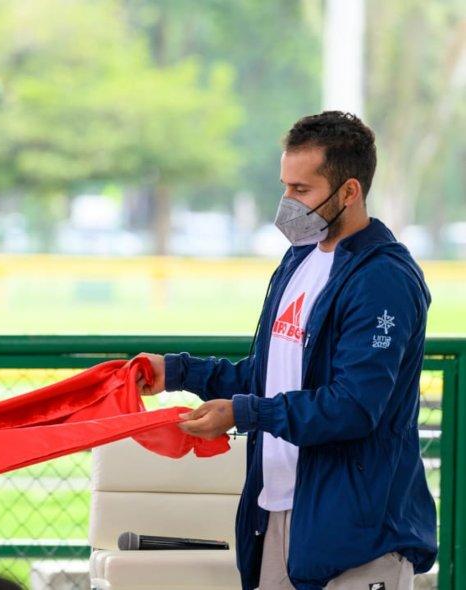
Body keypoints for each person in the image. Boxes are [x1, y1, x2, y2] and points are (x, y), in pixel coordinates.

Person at [136, 111, 436, 590]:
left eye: (302, 190)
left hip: (356, 532)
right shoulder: (299, 260)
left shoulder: (383, 281)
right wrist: (175, 372)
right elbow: (271, 378)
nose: (286, 203)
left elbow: (355, 407)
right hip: (275, 512)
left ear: (349, 191)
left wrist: (245, 414)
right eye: (285, 186)